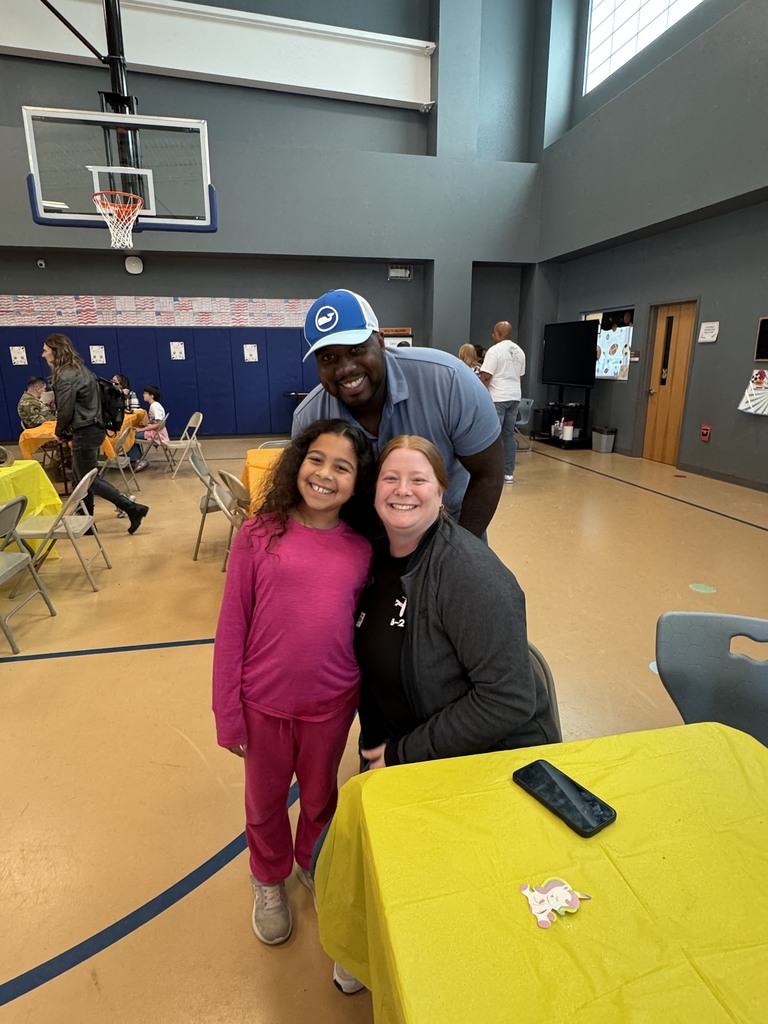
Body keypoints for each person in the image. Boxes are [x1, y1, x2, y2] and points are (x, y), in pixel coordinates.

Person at [327, 434, 558, 994]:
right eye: (390, 478)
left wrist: (404, 754)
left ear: (442, 491)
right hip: (406, 743)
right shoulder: (379, 552)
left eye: (418, 480)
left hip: (480, 757)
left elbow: (507, 700)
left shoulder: (469, 575)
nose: (402, 490)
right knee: (344, 866)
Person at [212, 419, 374, 948]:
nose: (325, 475)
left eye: (342, 467)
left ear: (357, 483)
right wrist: (228, 711)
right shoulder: (258, 535)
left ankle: (310, 859)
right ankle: (268, 877)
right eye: (317, 460)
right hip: (264, 704)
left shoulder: (361, 549)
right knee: (262, 801)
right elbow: (232, 627)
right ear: (298, 462)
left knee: (321, 794)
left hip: (331, 705)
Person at [293, 289, 503, 538]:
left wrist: (458, 554)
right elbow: (307, 502)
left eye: (357, 349)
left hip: (448, 529)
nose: (345, 368)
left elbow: (488, 474)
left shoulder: (449, 382)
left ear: (381, 343)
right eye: (329, 357)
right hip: (359, 541)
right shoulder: (310, 419)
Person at [42, 334, 149, 533]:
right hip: (94, 427)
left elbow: (65, 409)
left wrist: (60, 432)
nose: (43, 354)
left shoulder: (64, 376)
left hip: (84, 430)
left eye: (46, 351)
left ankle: (132, 508)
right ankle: (87, 520)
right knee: (81, 476)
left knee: (88, 479)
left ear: (56, 352)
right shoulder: (83, 371)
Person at [480, 321, 526, 484]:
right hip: (514, 397)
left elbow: (485, 376)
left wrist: (482, 395)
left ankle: (491, 472)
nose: (492, 336)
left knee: (492, 436)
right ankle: (508, 473)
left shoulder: (494, 351)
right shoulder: (520, 352)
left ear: (499, 333)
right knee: (508, 435)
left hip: (497, 398)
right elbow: (520, 377)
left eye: (494, 333)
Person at [127, 386, 169, 471]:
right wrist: (147, 425)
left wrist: (142, 429)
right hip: (156, 432)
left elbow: (159, 424)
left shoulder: (154, 406)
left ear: (151, 396)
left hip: (157, 434)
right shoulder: (155, 405)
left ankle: (137, 460)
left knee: (129, 436)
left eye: (145, 393)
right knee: (132, 432)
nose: (143, 395)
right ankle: (139, 458)